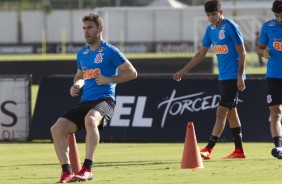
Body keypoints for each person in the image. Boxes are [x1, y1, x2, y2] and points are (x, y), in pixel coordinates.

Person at [50, 13, 137, 183]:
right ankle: (67, 173)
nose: (86, 32)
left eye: (90, 27)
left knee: (91, 120)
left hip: (105, 99)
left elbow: (132, 73)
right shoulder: (82, 53)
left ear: (100, 29)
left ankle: (87, 169)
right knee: (56, 128)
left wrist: (110, 79)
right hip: (86, 101)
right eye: (84, 28)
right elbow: (80, 75)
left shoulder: (110, 51)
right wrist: (77, 85)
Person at [173, 0, 246, 160]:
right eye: (208, 15)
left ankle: (209, 148)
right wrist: (184, 70)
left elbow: (242, 53)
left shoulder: (230, 27)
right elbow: (201, 54)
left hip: (233, 76)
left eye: (213, 14)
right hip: (224, 76)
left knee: (221, 112)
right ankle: (239, 151)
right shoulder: (210, 30)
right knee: (231, 113)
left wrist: (240, 76)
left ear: (221, 12)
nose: (211, 18)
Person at [256, 0, 282, 159]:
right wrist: (263, 52)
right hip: (273, 76)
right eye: (277, 16)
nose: (279, 19)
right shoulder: (268, 26)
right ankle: (279, 147)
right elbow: (259, 48)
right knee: (276, 112)